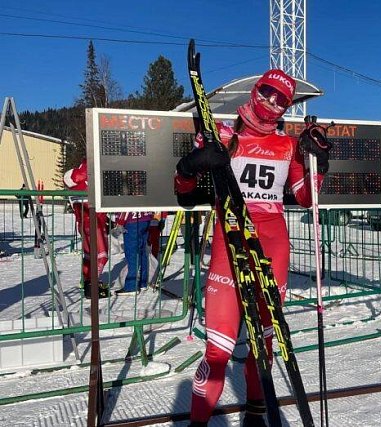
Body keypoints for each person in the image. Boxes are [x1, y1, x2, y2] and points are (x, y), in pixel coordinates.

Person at [175, 69, 330, 427]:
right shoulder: (222, 135)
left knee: (265, 343)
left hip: (272, 245)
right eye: (268, 93)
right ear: (255, 90)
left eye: (282, 100)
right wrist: (189, 166)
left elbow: (306, 198)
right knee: (218, 349)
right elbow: (183, 195)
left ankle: (256, 417)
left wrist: (318, 163)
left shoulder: (289, 145)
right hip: (229, 243)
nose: (272, 103)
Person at [63, 158, 110, 299]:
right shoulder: (87, 181)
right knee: (102, 256)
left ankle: (89, 282)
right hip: (94, 223)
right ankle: (92, 285)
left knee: (90, 256)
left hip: (85, 223)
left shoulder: (76, 184)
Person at [113, 211, 153, 295]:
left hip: (132, 219)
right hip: (145, 218)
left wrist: (120, 222)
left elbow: (126, 204)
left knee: (132, 252)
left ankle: (131, 286)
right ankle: (143, 282)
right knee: (142, 250)